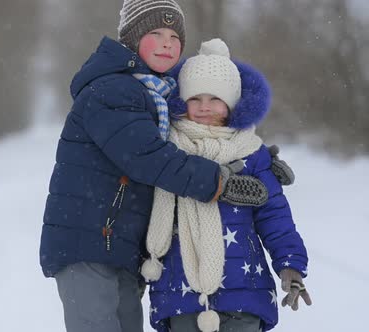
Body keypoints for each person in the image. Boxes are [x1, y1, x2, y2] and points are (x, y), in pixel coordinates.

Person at [39, 1, 293, 331]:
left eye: (175, 36)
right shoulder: (113, 89)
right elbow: (151, 157)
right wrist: (219, 182)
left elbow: (200, 139)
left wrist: (256, 162)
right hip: (88, 242)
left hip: (121, 246)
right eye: (155, 33)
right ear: (130, 39)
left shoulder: (154, 95)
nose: (166, 43)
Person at [143, 38, 311, 332]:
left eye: (215, 99)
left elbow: (274, 215)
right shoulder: (165, 150)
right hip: (179, 290)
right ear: (181, 101)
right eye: (195, 98)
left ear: (232, 104)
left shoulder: (252, 155)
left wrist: (290, 264)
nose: (204, 107)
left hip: (244, 288)